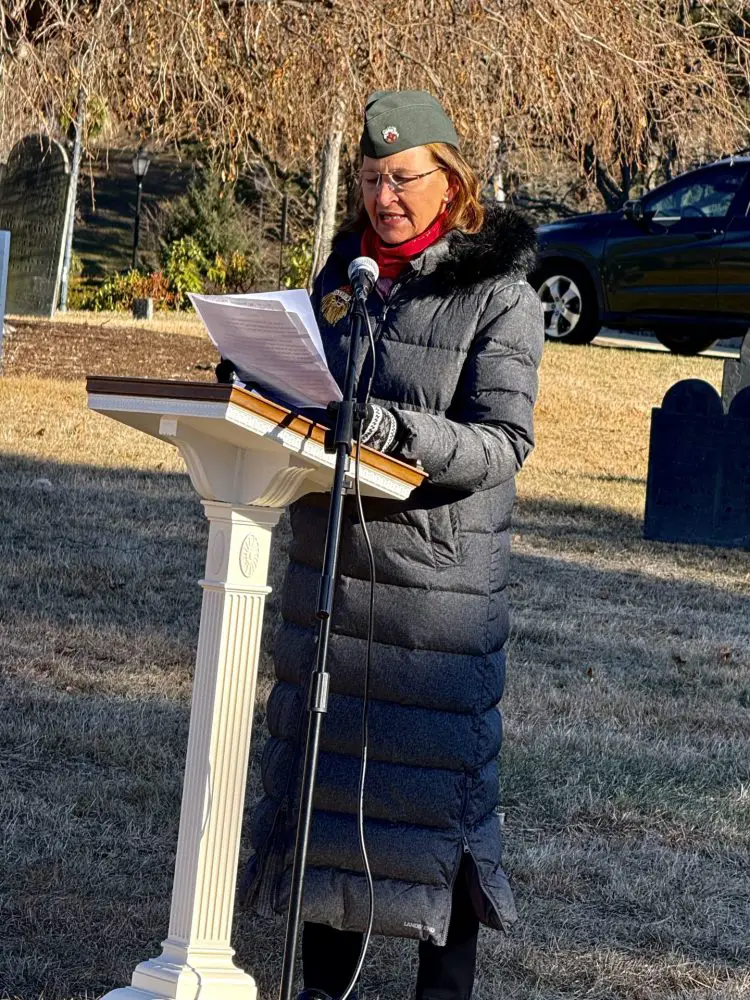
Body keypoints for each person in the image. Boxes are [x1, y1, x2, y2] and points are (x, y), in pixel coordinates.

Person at [240, 91, 544, 1000]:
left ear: (451, 179)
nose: (384, 197)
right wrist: (255, 377)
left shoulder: (502, 293)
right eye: (371, 179)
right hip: (334, 580)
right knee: (334, 816)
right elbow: (313, 393)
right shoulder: (347, 277)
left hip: (431, 600)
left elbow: (503, 444)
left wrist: (393, 430)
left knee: (430, 815)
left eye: (403, 178)